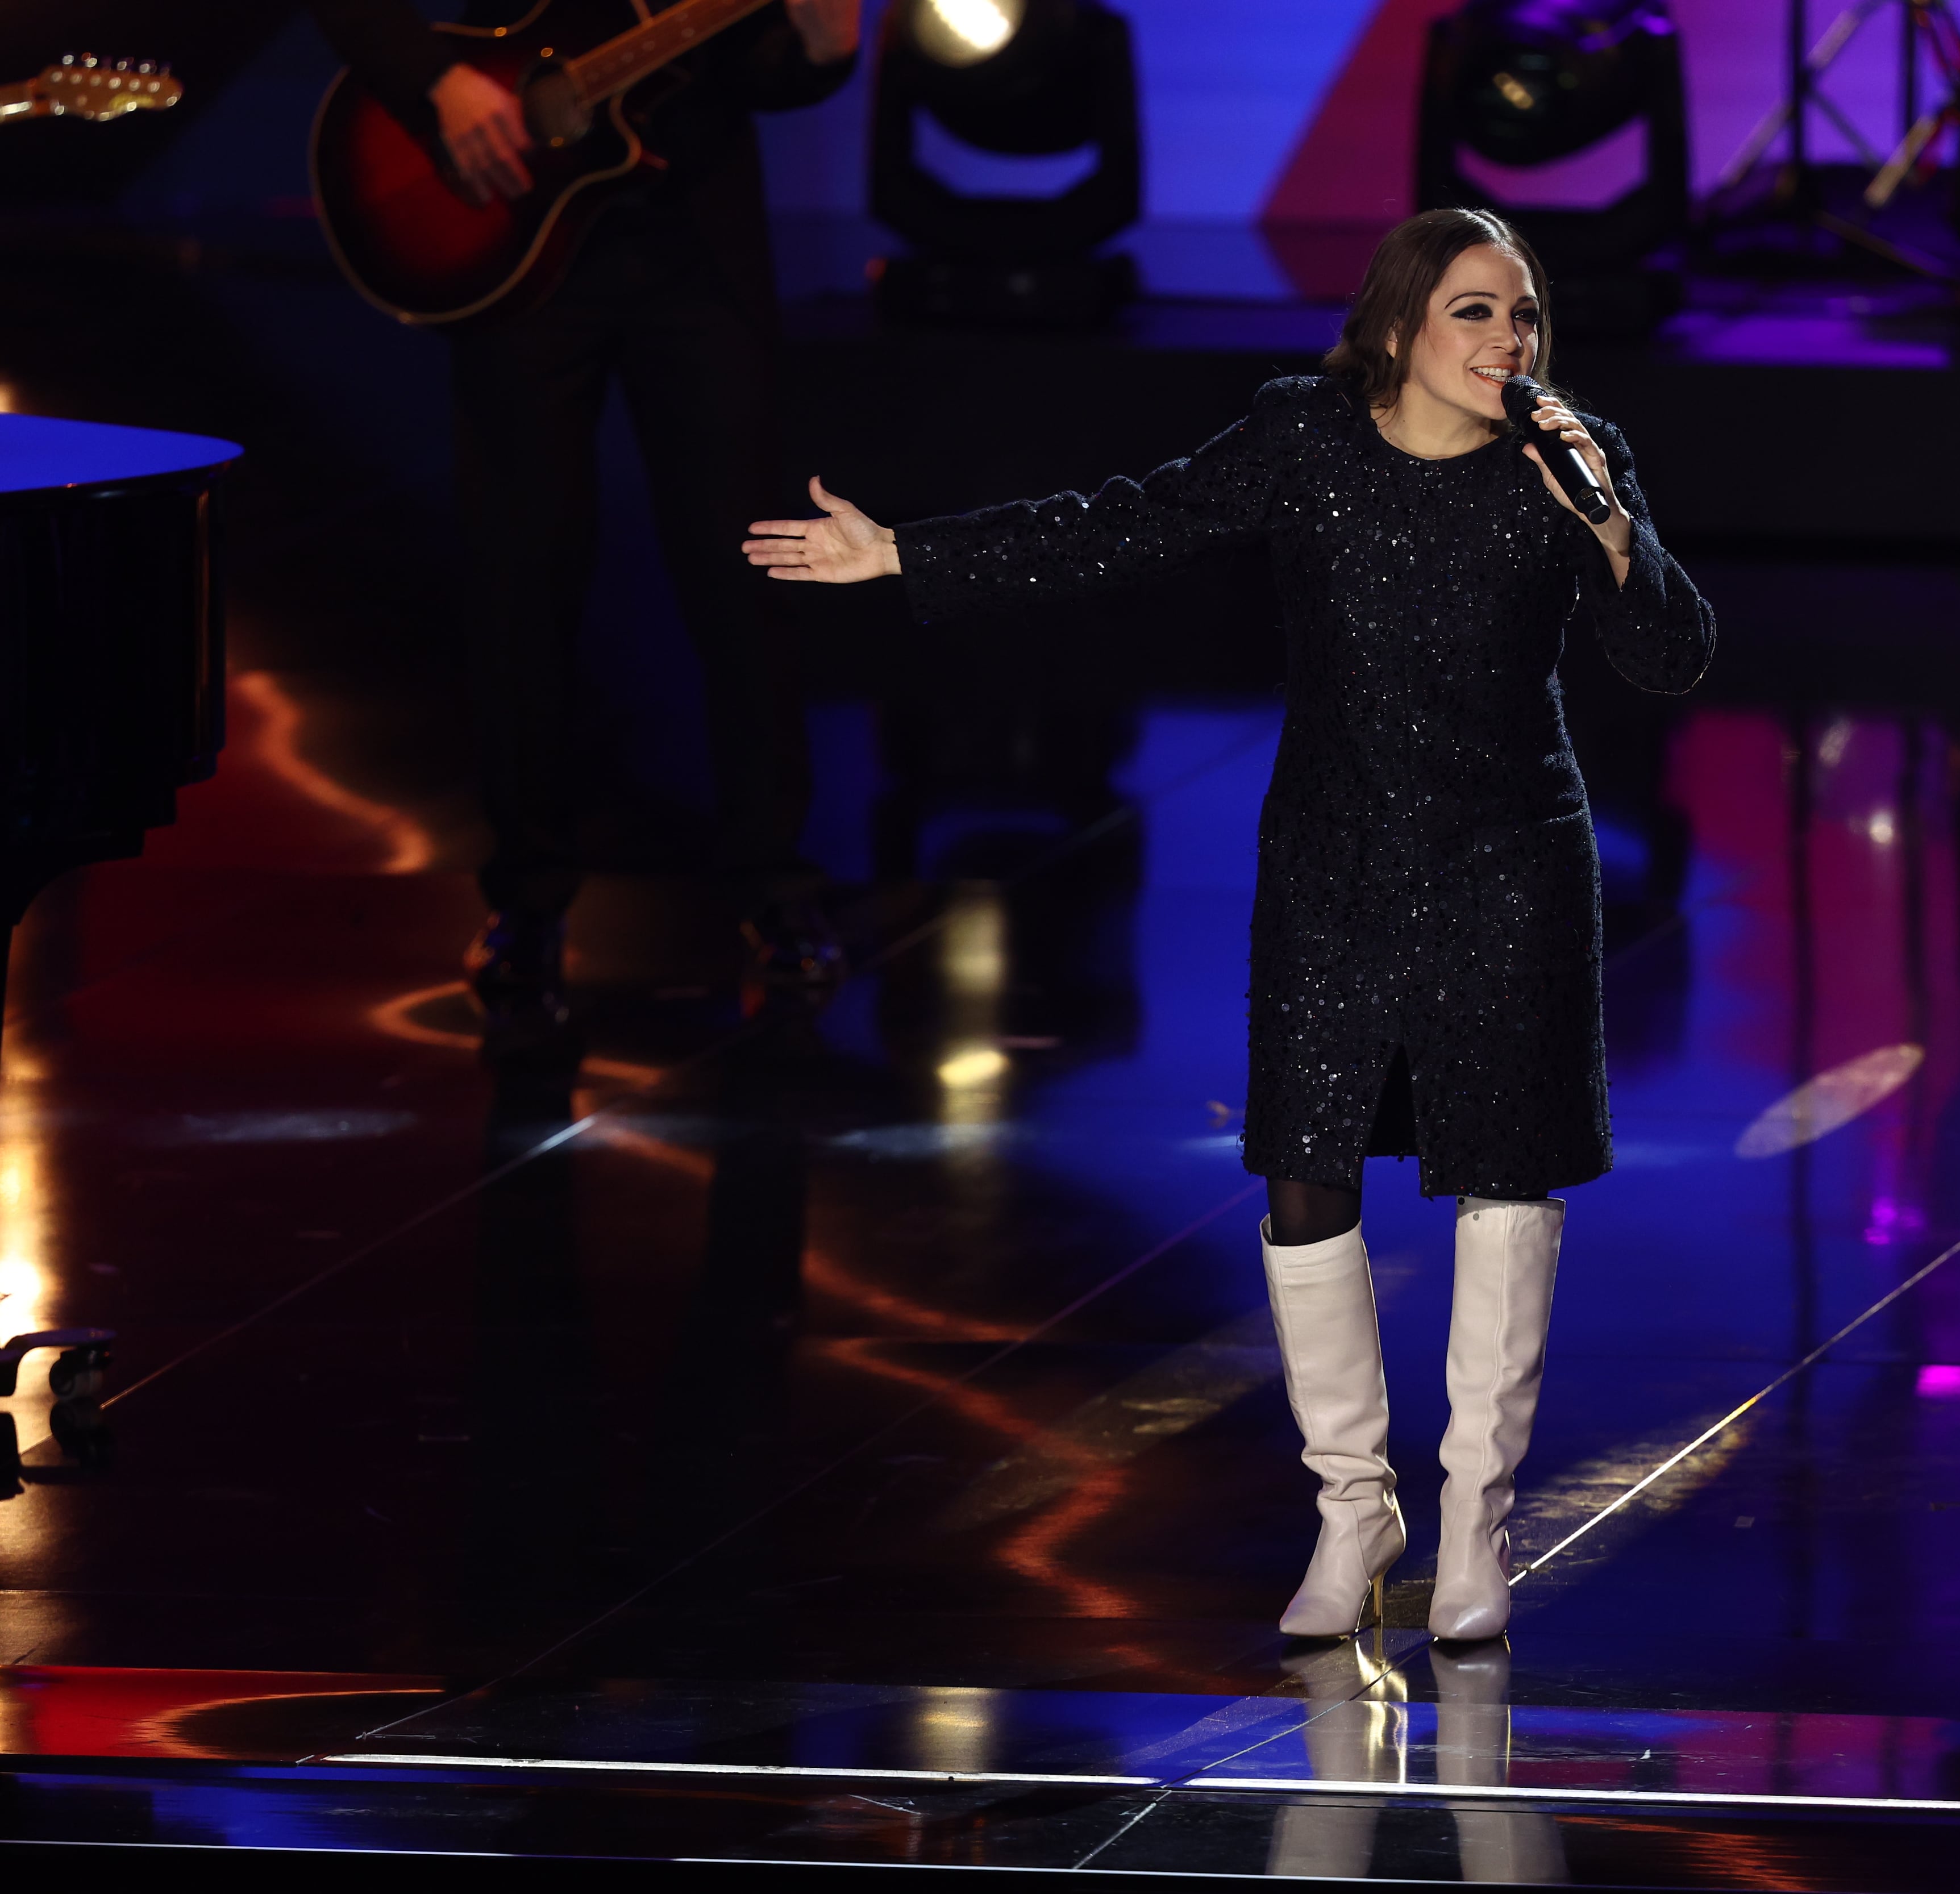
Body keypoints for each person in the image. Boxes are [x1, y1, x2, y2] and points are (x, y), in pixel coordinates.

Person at [743, 209, 1717, 1641]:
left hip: (1509, 862)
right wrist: (906, 557)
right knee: (1305, 1175)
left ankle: (1474, 1526)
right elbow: (1121, 524)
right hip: (1331, 859)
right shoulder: (1305, 440)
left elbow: (1673, 654)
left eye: (1523, 319)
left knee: (1503, 1184)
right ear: (1395, 327)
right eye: (1473, 313)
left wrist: (1611, 528)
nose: (1507, 342)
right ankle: (1349, 1506)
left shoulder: (1566, 460)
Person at [306, 0, 861, 1032]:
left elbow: (762, 68)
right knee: (523, 574)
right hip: (518, 222)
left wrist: (824, 48)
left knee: (749, 572)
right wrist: (436, 80)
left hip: (694, 243)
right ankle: (526, 901)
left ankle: (775, 886)